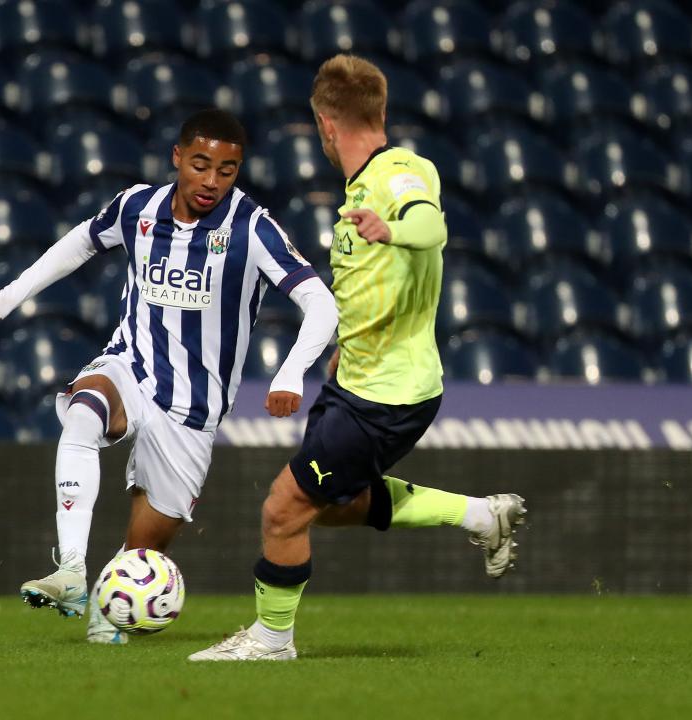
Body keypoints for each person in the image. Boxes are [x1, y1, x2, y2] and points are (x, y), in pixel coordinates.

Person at [189, 55, 526, 662]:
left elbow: (430, 227)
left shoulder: (399, 173)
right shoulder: (364, 184)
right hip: (358, 381)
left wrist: (391, 230)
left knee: (283, 509)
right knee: (330, 505)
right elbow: (379, 280)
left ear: (325, 123)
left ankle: (271, 640)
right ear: (381, 109)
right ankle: (480, 515)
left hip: (387, 395)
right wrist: (347, 342)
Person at [0, 109, 338, 644]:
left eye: (227, 170)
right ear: (177, 157)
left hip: (193, 409)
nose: (211, 181)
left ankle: (106, 615)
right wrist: (7, 297)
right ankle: (71, 570)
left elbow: (321, 303)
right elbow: (80, 242)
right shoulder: (137, 207)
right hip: (130, 365)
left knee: (143, 554)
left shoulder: (252, 228)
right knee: (84, 412)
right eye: (201, 165)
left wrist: (291, 373)